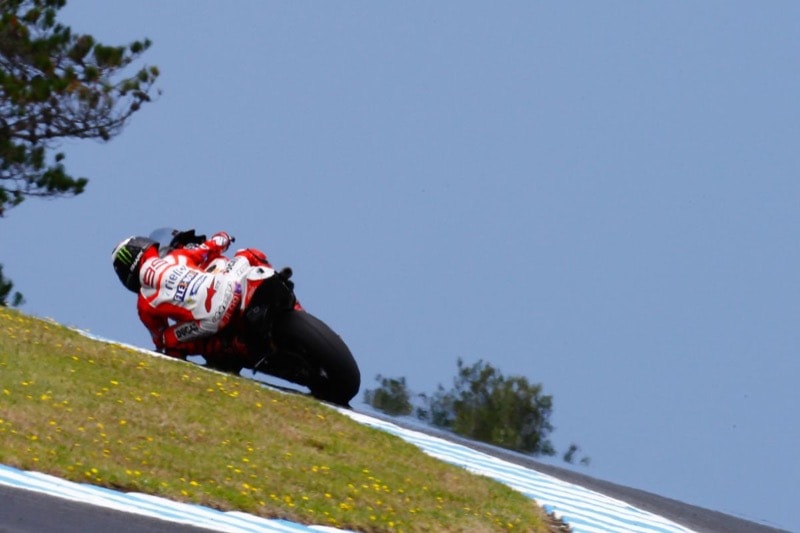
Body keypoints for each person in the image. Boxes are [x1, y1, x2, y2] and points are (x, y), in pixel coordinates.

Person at [111, 230, 276, 367]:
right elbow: (210, 246)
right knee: (247, 254)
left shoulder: (143, 303)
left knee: (167, 340)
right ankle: (277, 282)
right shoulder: (177, 256)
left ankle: (231, 347)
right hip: (231, 288)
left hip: (212, 321)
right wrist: (223, 237)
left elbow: (160, 341)